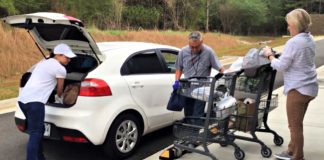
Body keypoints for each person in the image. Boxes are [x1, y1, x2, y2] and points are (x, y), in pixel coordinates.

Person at [263, 8, 318, 160]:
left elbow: (281, 66)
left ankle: (298, 157)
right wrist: (278, 56)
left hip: (298, 89)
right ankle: (290, 150)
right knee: (296, 123)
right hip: (309, 87)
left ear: (295, 25)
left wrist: (269, 55)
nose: (288, 27)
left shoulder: (293, 42)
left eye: (289, 25)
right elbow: (295, 58)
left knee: (294, 126)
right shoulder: (309, 38)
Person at [18, 43, 76, 160]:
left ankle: (40, 157)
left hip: (22, 101)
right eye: (67, 57)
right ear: (58, 55)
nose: (69, 60)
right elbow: (59, 91)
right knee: (36, 133)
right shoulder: (60, 69)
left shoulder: (43, 63)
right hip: (35, 103)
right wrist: (60, 98)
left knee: (37, 131)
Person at [174, 31, 225, 124]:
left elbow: (220, 69)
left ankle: (195, 135)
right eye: (191, 47)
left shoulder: (209, 52)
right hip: (188, 89)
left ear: (202, 42)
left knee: (197, 115)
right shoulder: (183, 52)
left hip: (202, 89)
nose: (194, 49)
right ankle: (190, 133)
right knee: (188, 114)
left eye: (196, 47)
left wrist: (219, 77)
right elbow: (179, 68)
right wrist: (176, 81)